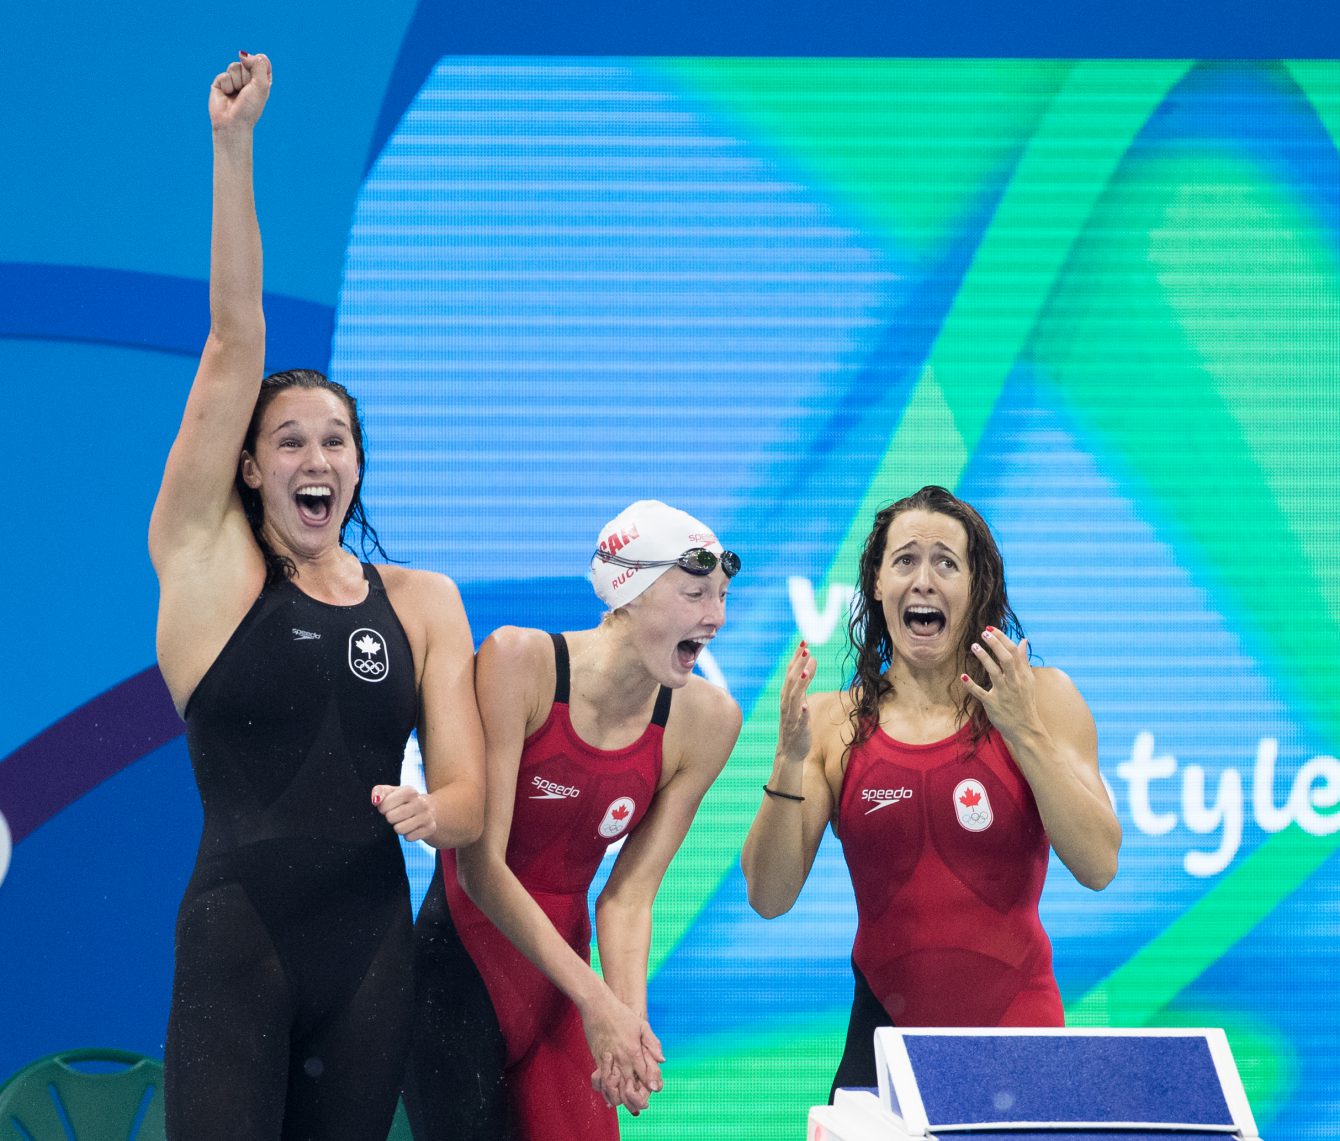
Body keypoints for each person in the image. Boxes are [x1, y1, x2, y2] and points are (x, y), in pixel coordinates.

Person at [148, 53, 485, 1139]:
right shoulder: (208, 566)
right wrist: (231, 145)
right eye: (287, 439)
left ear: (356, 465)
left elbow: (473, 801)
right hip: (237, 942)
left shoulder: (424, 600)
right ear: (247, 466)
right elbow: (233, 339)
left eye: (334, 440)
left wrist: (438, 813)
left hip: (373, 946)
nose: (315, 456)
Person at [741, 485, 1120, 1096]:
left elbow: (1100, 863)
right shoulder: (834, 723)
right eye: (904, 561)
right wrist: (788, 763)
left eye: (946, 561)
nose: (923, 580)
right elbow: (768, 895)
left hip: (1020, 1037)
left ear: (976, 590)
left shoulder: (1043, 698)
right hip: (881, 1046)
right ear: (876, 586)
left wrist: (1022, 729)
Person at [403, 500, 743, 1141]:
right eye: (696, 593)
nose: (716, 617)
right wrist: (598, 1003)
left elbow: (630, 896)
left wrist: (628, 1026)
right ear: (630, 592)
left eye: (723, 597)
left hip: (564, 988)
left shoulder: (708, 722)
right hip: (461, 972)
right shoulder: (520, 664)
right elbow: (479, 867)